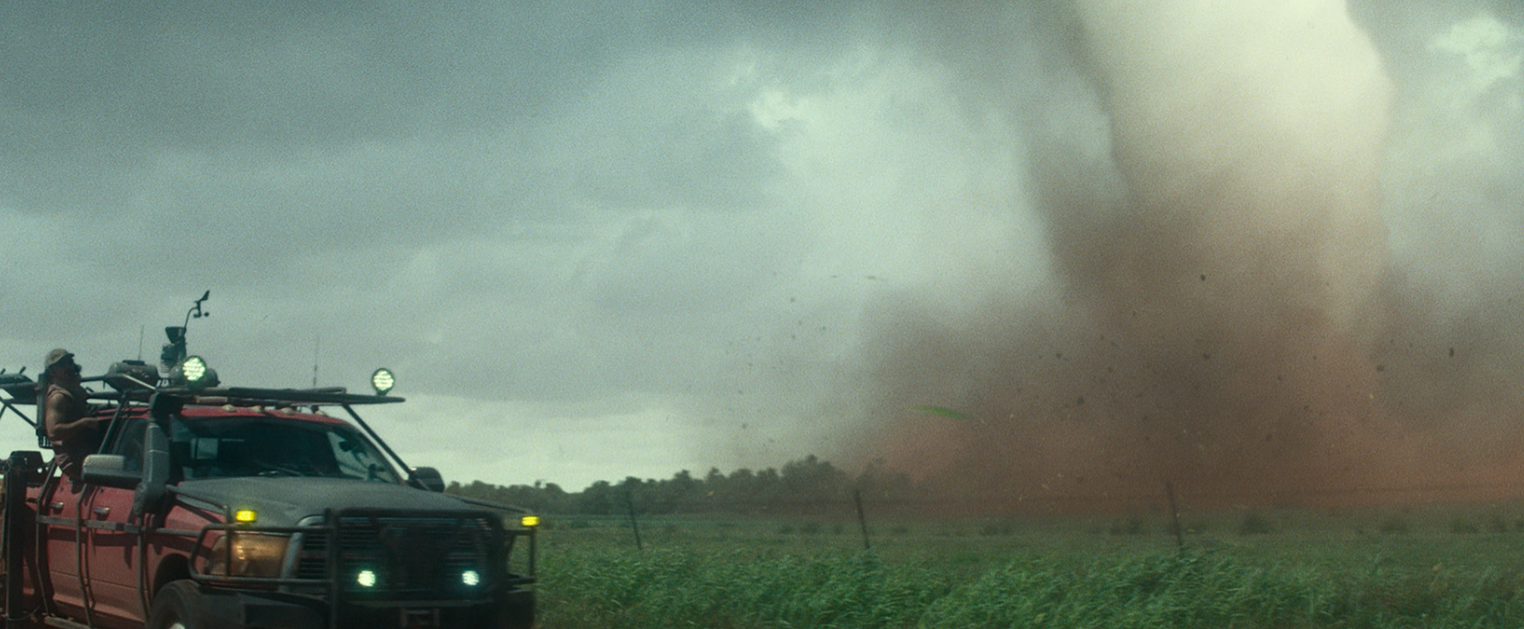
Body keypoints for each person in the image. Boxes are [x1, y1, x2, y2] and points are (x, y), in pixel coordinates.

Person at [40, 348, 100, 479]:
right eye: (62, 365)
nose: (68, 367)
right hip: (73, 460)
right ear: (51, 372)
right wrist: (83, 423)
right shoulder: (58, 397)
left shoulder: (74, 391)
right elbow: (54, 432)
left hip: (86, 453)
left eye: (70, 362)